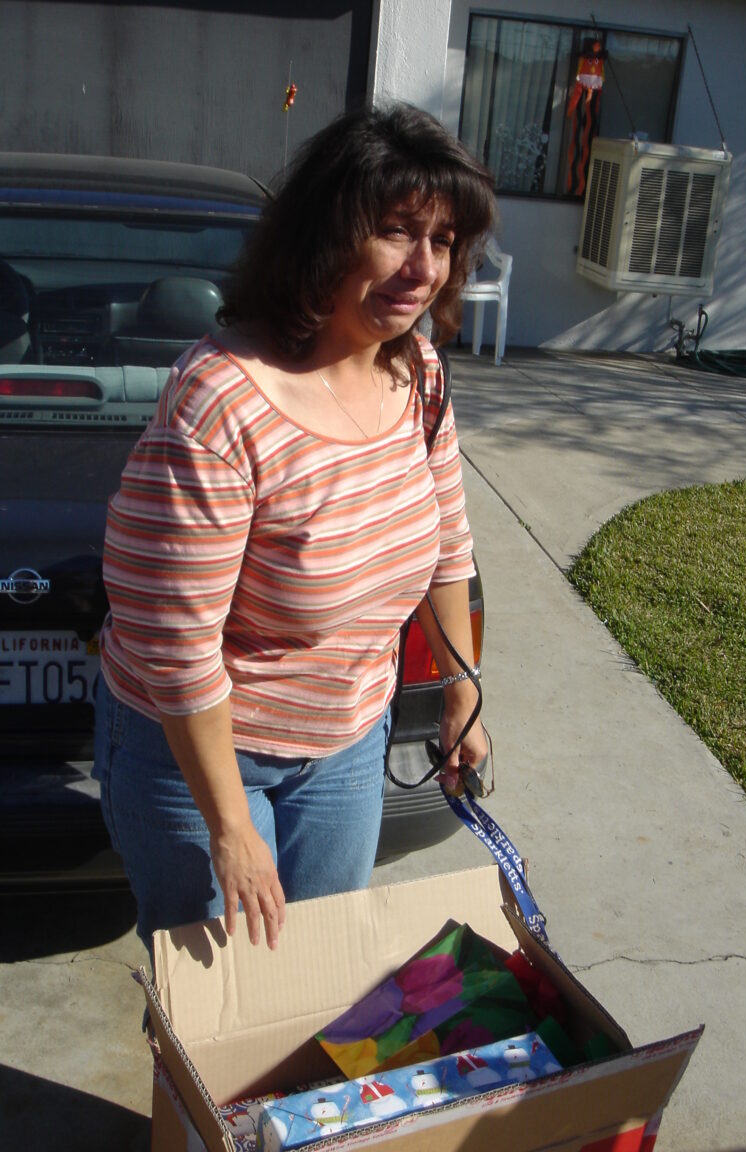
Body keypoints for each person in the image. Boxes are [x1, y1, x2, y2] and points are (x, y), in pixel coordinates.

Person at [93, 102, 497, 954]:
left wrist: (460, 693)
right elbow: (175, 644)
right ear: (328, 234)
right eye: (395, 232)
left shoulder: (418, 373)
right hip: (198, 756)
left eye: (444, 241)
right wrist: (231, 829)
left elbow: (449, 547)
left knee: (317, 973)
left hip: (348, 741)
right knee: (225, 995)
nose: (422, 267)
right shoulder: (222, 400)